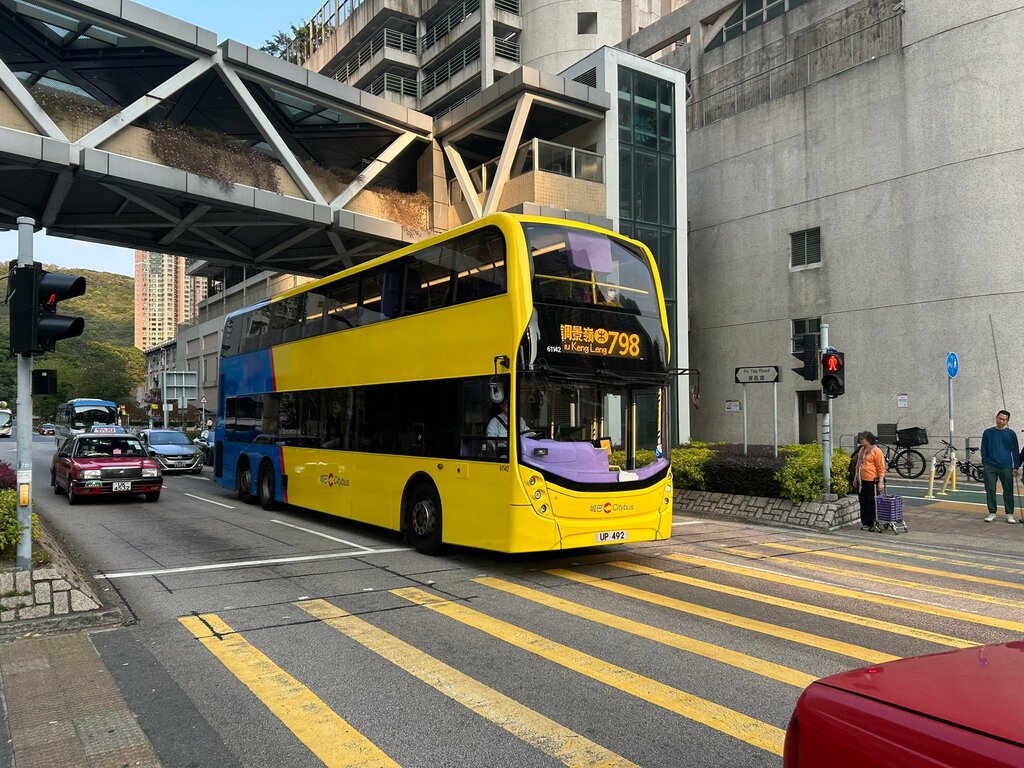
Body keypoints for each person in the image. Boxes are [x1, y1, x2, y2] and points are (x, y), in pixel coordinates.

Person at [980, 410, 1019, 523]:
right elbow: (984, 448)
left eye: (1004, 419)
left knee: (1008, 490)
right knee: (990, 489)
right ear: (996, 417)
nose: (1001, 421)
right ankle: (992, 512)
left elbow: (1015, 451)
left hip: (1006, 466)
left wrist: (1015, 466)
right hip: (990, 466)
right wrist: (985, 462)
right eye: (999, 418)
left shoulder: (1011, 434)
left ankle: (1009, 514)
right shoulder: (987, 432)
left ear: (1007, 421)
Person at [853, 432, 886, 530]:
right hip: (862, 480)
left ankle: (872, 523)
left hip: (872, 480)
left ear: (869, 440)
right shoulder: (862, 450)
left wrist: (880, 482)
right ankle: (865, 523)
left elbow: (881, 468)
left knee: (871, 502)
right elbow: (858, 464)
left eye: (863, 439)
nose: (861, 441)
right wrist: (855, 477)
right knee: (863, 501)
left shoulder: (877, 451)